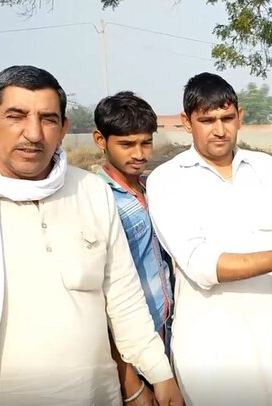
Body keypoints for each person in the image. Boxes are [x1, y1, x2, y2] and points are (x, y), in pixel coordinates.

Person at [0, 65, 182, 406]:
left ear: (64, 128)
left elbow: (123, 297)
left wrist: (160, 374)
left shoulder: (90, 191)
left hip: (97, 394)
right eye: (16, 116)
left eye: (48, 119)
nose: (33, 133)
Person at [147, 72, 272, 405]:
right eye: (207, 120)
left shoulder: (266, 167)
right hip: (214, 349)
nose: (219, 129)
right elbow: (201, 266)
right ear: (186, 122)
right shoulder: (167, 180)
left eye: (227, 118)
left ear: (240, 117)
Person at [92, 91, 175, 404]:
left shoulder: (154, 187)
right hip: (132, 347)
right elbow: (105, 299)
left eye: (146, 142)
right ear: (101, 140)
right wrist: (132, 386)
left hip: (168, 333)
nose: (139, 154)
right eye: (126, 144)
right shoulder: (98, 198)